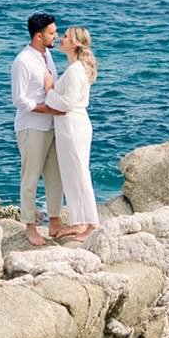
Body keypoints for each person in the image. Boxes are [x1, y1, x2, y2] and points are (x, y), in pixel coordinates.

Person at [10, 13, 67, 248]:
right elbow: (19, 100)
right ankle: (30, 226)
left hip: (51, 126)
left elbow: (49, 87)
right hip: (31, 127)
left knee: (56, 175)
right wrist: (47, 110)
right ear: (38, 35)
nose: (56, 35)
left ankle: (55, 221)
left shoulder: (47, 55)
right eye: (52, 33)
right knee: (30, 177)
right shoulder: (22, 61)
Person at [44, 26, 99, 242]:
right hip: (69, 126)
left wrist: (49, 90)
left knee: (80, 175)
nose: (60, 38)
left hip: (73, 126)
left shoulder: (76, 70)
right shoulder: (76, 68)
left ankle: (91, 223)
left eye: (65, 36)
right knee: (71, 175)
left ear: (75, 43)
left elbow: (66, 103)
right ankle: (78, 222)